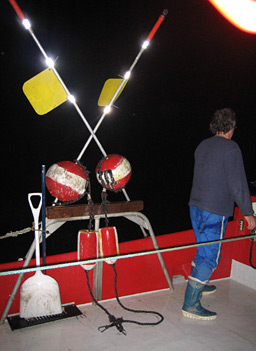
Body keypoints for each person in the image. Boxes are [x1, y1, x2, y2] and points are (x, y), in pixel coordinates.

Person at [182, 107, 256, 320]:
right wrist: (247, 212)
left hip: (195, 206)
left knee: (202, 248)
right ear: (231, 127)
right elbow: (238, 183)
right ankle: (191, 304)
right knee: (210, 257)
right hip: (213, 211)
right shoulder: (231, 148)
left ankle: (200, 283)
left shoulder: (202, 145)